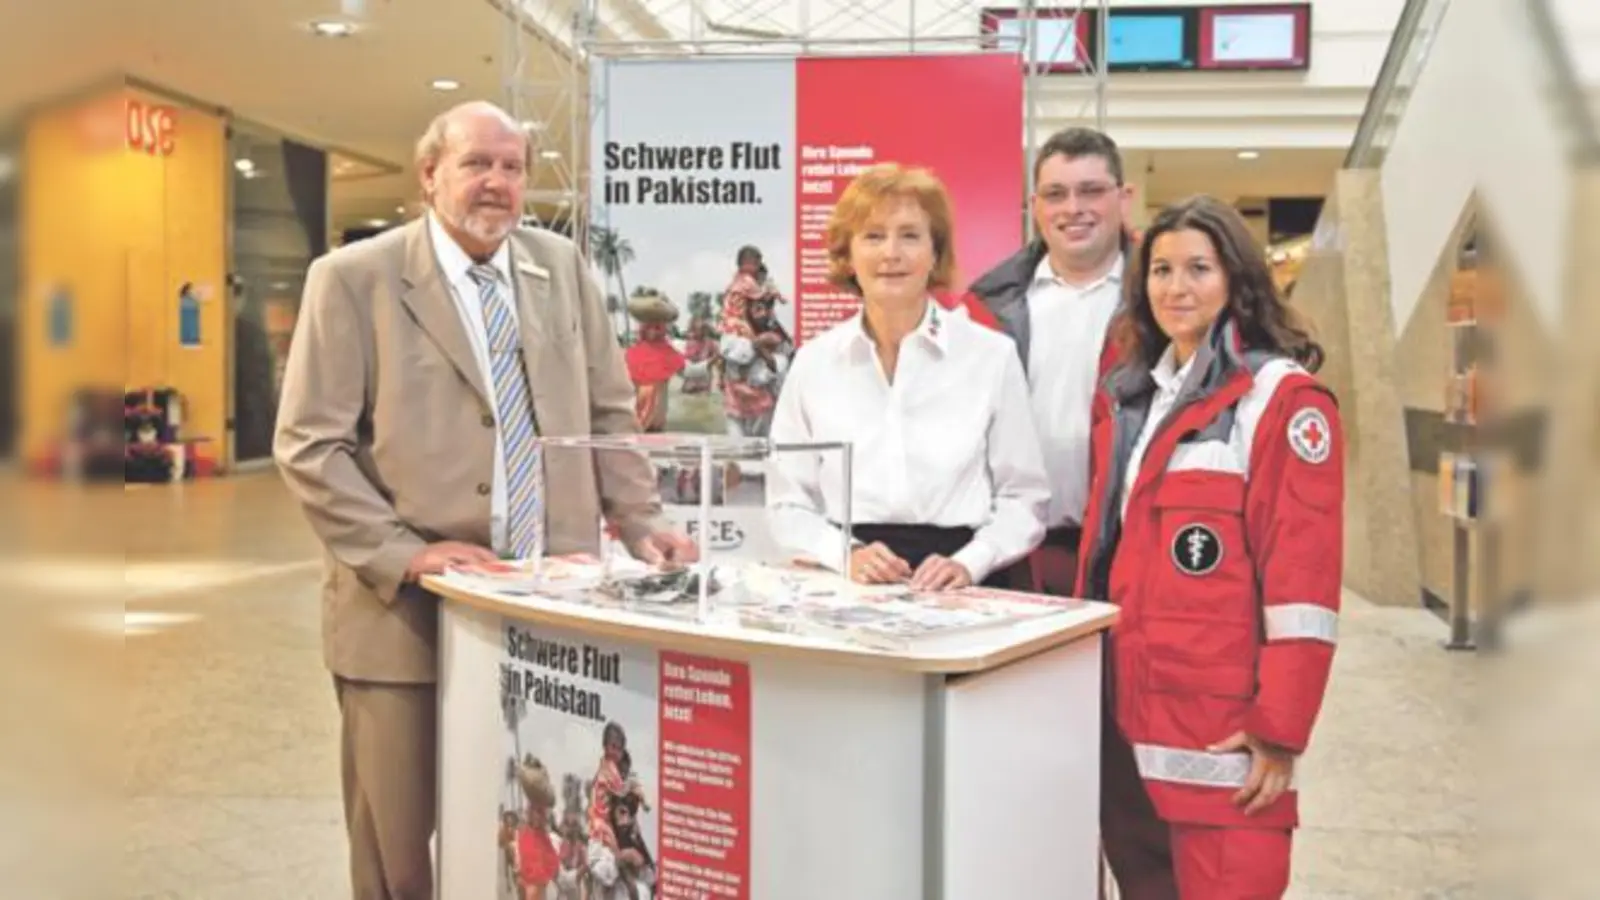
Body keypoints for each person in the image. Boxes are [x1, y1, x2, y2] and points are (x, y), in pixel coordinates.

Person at [273, 100, 696, 900]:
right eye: (477, 164)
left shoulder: (559, 266)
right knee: (395, 842)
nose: (497, 183)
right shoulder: (354, 279)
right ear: (429, 174)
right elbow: (309, 445)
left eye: (512, 167)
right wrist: (404, 553)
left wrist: (641, 520)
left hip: (547, 609)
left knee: (537, 824)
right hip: (405, 611)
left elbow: (608, 409)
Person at [1075, 195, 1344, 898]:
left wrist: (1279, 728)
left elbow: (1304, 584)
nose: (1176, 287)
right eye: (1161, 269)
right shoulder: (1134, 397)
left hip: (1225, 737)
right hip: (1127, 723)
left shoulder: (1282, 401)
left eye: (1199, 267)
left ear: (1237, 280)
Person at [766, 163, 1050, 590]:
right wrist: (844, 555)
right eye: (873, 236)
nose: (891, 253)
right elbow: (788, 503)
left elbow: (1024, 498)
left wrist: (971, 562)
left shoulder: (991, 356)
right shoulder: (813, 363)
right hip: (848, 580)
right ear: (848, 255)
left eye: (910, 235)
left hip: (965, 583)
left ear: (935, 253)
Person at [962, 127, 1136, 595]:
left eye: (1091, 191)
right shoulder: (985, 308)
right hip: (1012, 555)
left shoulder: (1161, 303)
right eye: (1056, 194)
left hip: (1127, 553)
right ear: (1035, 206)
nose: (1073, 208)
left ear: (1125, 198)